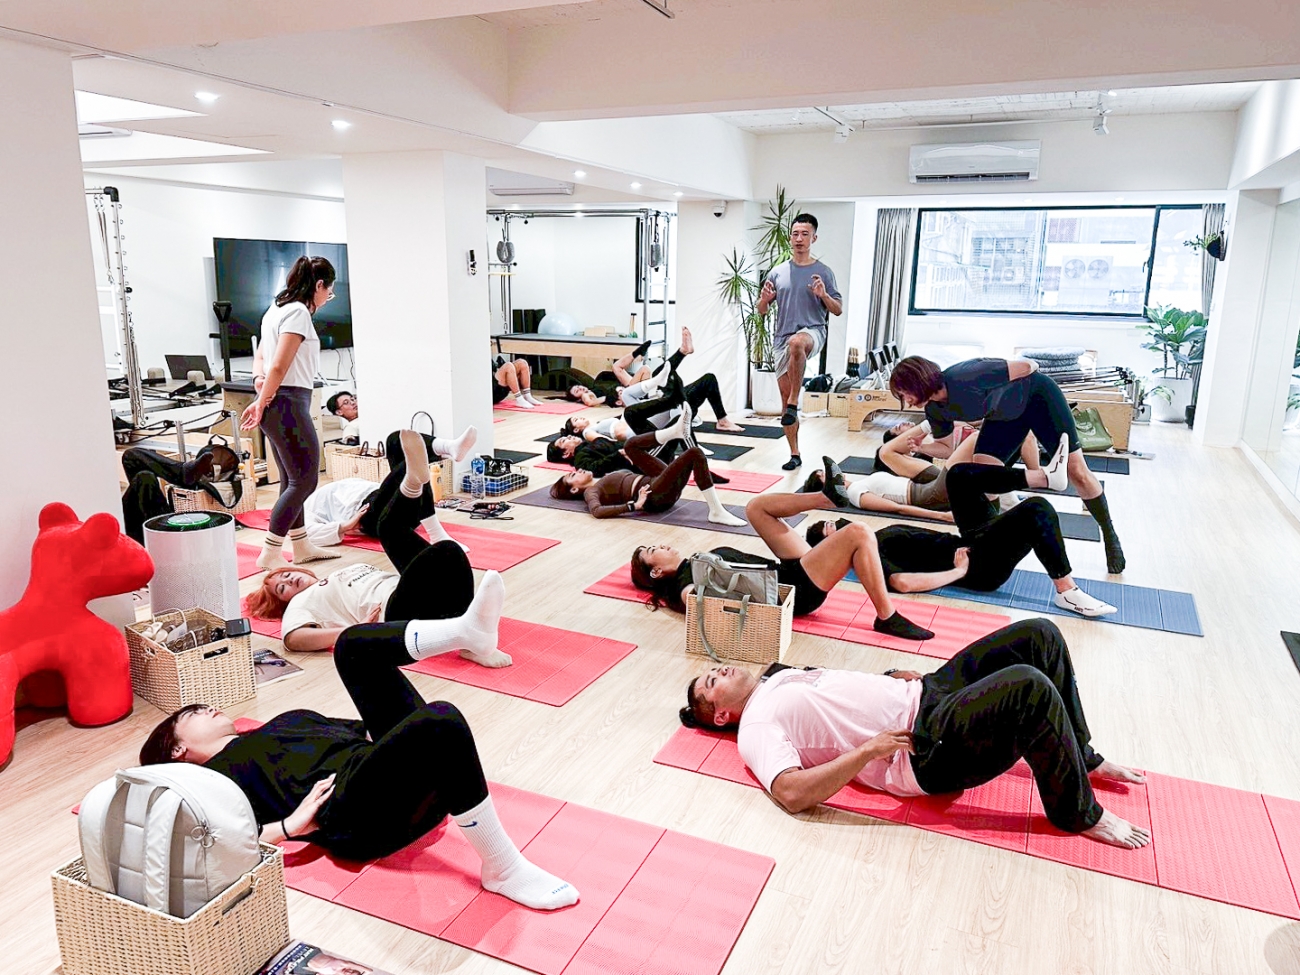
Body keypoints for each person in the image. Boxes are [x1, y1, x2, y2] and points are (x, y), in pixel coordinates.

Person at [138, 634, 580, 910]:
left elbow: (366, 731)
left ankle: (464, 632)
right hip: (357, 817)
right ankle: (503, 867)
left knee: (353, 648)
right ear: (177, 747)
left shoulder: (277, 725)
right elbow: (206, 845)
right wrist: (288, 828)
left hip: (386, 781)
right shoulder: (208, 779)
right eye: (193, 713)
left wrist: (389, 711)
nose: (208, 707)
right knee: (441, 718)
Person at [680, 618, 1151, 849]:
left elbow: (839, 695)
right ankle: (1077, 813)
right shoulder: (756, 727)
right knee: (1029, 688)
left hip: (928, 691)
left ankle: (1083, 757)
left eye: (712, 671)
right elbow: (790, 793)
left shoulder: (774, 678)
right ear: (720, 716)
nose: (718, 671)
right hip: (921, 747)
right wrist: (866, 752)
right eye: (710, 684)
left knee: (1040, 635)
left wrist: (889, 675)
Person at [246, 432, 511, 664]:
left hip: (421, 600)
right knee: (441, 549)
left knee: (430, 543)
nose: (289, 579)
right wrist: (353, 631)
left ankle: (414, 480)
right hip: (397, 615)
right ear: (284, 602)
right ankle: (417, 476)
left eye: (285, 574)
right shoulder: (302, 603)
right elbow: (294, 639)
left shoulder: (330, 578)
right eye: (282, 588)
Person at [889, 355, 1126, 573]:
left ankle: (1109, 534)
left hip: (1038, 398)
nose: (906, 402)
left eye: (905, 393)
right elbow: (946, 448)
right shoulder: (934, 409)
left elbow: (1029, 365)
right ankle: (989, 545)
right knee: (984, 475)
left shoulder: (965, 375)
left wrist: (1003, 383)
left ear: (918, 380)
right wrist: (922, 448)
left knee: (1076, 471)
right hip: (1005, 416)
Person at [806, 457, 1118, 618]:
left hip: (967, 538)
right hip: (977, 564)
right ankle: (1067, 591)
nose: (839, 525)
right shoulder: (870, 562)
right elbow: (902, 583)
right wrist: (958, 572)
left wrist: (944, 518)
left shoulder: (873, 537)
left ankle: (1043, 477)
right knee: (1037, 509)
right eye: (830, 529)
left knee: (957, 475)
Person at [630, 486, 935, 641]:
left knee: (756, 507)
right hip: (793, 590)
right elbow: (698, 604)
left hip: (786, 571)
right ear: (656, 571)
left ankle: (826, 496)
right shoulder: (683, 584)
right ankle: (886, 616)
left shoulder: (693, 564)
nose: (661, 544)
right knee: (859, 533)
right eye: (653, 550)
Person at [241, 256, 339, 572]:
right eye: (329, 291)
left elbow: (261, 357)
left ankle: (301, 545)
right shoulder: (297, 312)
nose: (328, 297)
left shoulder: (275, 309)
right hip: (287, 402)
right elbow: (280, 365)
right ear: (319, 285)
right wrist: (262, 400)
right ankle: (270, 551)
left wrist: (259, 386)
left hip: (279, 401)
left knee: (291, 479)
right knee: (306, 479)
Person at [549, 405, 745, 526]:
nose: (578, 471)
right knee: (694, 453)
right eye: (573, 476)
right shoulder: (591, 492)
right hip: (656, 495)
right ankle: (716, 511)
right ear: (574, 489)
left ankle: (675, 431)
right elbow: (597, 511)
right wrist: (634, 505)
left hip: (657, 481)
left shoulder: (599, 478)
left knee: (631, 446)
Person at [297, 424, 477, 548]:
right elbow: (307, 534)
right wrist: (345, 525)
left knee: (395, 440)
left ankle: (449, 447)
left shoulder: (315, 494)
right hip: (372, 517)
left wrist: (390, 485)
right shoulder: (307, 507)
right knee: (411, 465)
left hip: (392, 505)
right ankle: (436, 534)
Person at [756, 214, 842, 470]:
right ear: (790, 237)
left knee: (797, 343)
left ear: (814, 238)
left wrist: (823, 295)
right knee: (785, 403)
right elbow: (761, 310)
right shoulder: (777, 272)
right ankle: (795, 454)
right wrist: (764, 300)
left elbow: (837, 309)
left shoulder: (823, 272)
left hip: (813, 332)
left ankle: (795, 399)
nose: (799, 238)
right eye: (795, 233)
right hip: (781, 338)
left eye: (805, 234)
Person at [561, 340, 655, 407]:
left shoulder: (591, 388)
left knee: (619, 367)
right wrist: (608, 398)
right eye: (577, 391)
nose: (580, 388)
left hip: (626, 389)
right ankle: (648, 393)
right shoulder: (585, 396)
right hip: (627, 395)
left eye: (578, 386)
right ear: (577, 399)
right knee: (644, 369)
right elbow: (590, 402)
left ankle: (637, 353)